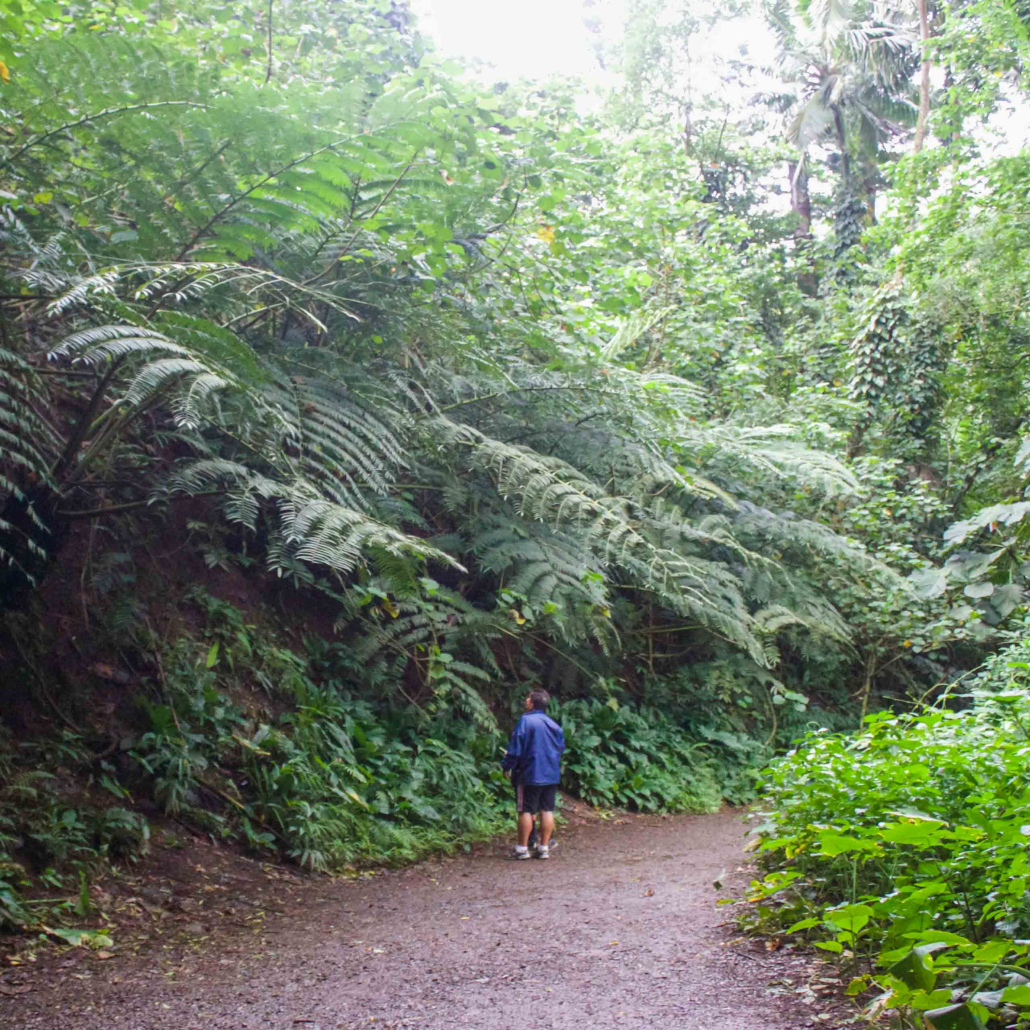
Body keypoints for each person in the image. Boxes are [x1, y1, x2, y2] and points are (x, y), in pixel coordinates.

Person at [501, 688, 564, 860]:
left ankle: (522, 849)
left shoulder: (525, 721)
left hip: (529, 773)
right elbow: (560, 749)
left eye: (527, 699)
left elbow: (516, 748)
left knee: (526, 810)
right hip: (550, 773)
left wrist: (507, 765)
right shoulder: (554, 725)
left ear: (532, 703)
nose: (525, 701)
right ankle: (543, 847)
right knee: (547, 809)